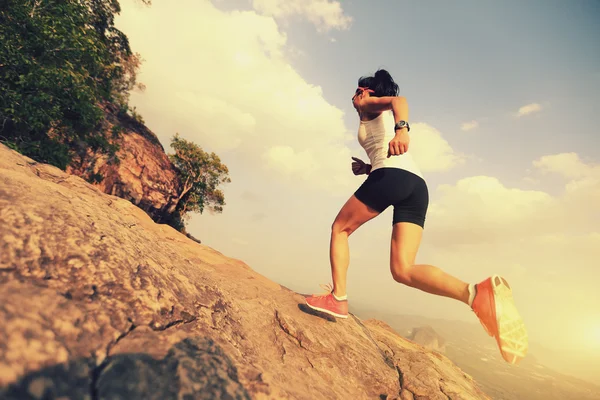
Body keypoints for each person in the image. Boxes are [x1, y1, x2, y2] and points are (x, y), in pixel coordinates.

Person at [305, 69, 528, 364]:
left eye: (356, 92)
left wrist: (403, 129)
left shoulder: (366, 104)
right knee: (403, 269)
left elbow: (401, 101)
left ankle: (338, 298)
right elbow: (387, 150)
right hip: (415, 186)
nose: (353, 98)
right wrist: (369, 168)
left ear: (364, 92)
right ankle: (476, 294)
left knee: (340, 229)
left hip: (392, 175)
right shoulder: (373, 112)